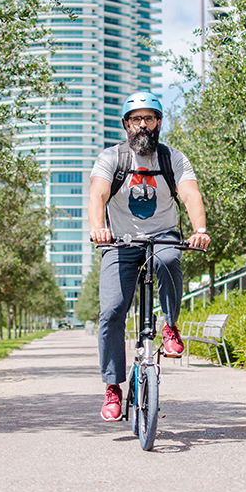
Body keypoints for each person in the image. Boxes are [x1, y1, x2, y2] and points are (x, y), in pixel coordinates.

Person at [88, 91, 210, 422]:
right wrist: (98, 229)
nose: (143, 125)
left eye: (149, 118)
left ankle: (169, 326)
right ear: (126, 125)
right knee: (112, 310)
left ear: (158, 123)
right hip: (120, 242)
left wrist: (200, 228)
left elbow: (190, 194)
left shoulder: (174, 159)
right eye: (136, 119)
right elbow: (97, 194)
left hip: (163, 235)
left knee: (169, 259)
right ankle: (113, 386)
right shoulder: (111, 158)